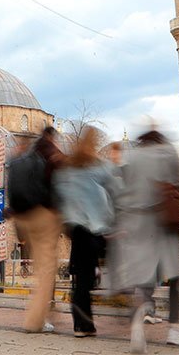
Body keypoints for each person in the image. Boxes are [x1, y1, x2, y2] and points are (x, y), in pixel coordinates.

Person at [115, 127, 179, 353]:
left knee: (143, 280)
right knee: (175, 277)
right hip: (164, 222)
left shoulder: (133, 158)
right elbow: (177, 183)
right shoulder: (168, 153)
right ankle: (174, 329)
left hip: (138, 225)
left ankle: (137, 329)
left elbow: (124, 193)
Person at [52, 126, 117, 338]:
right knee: (86, 278)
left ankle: (83, 324)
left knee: (82, 277)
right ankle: (83, 323)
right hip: (92, 228)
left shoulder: (66, 171)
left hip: (74, 228)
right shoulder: (96, 167)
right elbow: (114, 181)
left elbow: (59, 194)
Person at [5, 126, 63, 333]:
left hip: (23, 218)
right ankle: (35, 320)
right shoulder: (49, 155)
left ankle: (42, 315)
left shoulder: (16, 162)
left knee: (41, 269)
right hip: (42, 216)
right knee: (47, 271)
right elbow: (54, 187)